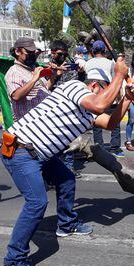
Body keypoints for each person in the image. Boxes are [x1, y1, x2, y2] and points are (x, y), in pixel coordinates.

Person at [0, 57, 134, 266]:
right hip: (20, 150)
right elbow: (100, 105)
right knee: (36, 203)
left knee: (66, 179)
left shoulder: (88, 109)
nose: (110, 98)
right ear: (94, 85)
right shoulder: (75, 87)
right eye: (106, 90)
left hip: (40, 153)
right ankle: (12, 263)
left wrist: (127, 100)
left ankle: (66, 224)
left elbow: (110, 123)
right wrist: (120, 75)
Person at [49, 40, 85, 175]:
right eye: (59, 54)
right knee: (55, 141)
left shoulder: (70, 63)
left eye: (64, 54)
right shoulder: (46, 65)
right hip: (53, 106)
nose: (62, 56)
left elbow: (76, 81)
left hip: (69, 106)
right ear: (53, 53)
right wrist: (55, 71)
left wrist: (81, 72)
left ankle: (69, 168)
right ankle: (55, 169)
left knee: (69, 139)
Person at [85, 41, 123, 157]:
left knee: (96, 120)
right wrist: (118, 95)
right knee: (114, 121)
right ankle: (115, 148)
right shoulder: (110, 63)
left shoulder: (88, 63)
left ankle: (98, 146)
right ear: (104, 51)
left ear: (93, 51)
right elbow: (114, 79)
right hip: (106, 93)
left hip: (92, 93)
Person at [5, 37, 56, 122]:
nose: (33, 55)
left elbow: (45, 88)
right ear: (17, 52)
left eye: (33, 52)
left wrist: (52, 76)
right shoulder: (14, 72)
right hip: (29, 124)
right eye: (28, 52)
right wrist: (34, 79)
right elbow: (16, 96)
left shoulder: (32, 68)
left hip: (43, 120)